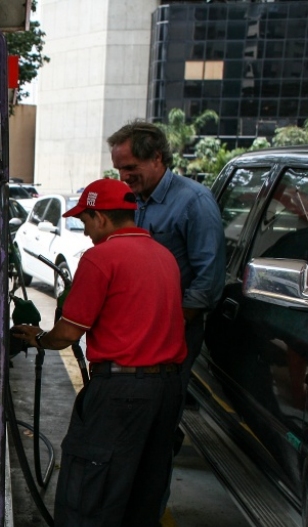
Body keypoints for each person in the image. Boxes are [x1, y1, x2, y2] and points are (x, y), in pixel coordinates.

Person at [12, 179, 186, 527]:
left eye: (86, 220)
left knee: (88, 491)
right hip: (166, 391)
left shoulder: (102, 257)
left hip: (120, 393)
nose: (85, 231)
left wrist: (37, 338)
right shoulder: (164, 256)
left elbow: (68, 332)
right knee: (142, 491)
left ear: (102, 217)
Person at [107, 121, 225, 412]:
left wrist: (175, 323)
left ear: (157, 158)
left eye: (131, 167)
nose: (124, 177)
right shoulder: (132, 201)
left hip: (174, 330)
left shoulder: (194, 202)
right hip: (137, 329)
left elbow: (207, 279)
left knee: (160, 410)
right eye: (119, 169)